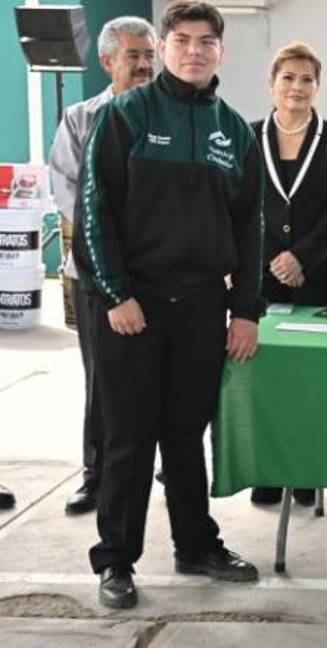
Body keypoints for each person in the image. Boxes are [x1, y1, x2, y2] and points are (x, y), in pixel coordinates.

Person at [73, 0, 264, 610]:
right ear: (162, 47)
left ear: (220, 52)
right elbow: (94, 213)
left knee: (186, 435)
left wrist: (246, 310)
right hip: (134, 310)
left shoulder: (233, 130)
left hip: (203, 309)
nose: (194, 51)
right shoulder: (126, 116)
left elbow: (250, 228)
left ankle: (196, 544)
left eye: (206, 42)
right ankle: (116, 562)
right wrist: (116, 295)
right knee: (128, 439)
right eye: (181, 40)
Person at [48, 16, 156, 517]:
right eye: (133, 56)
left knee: (162, 378)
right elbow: (71, 198)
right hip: (97, 278)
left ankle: (157, 466)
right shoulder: (80, 120)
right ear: (107, 60)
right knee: (102, 380)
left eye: (148, 56)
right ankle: (96, 475)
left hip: (159, 278)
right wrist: (115, 262)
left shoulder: (169, 116)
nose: (143, 65)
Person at [248, 42, 327, 508]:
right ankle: (268, 470)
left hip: (320, 276)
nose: (296, 87)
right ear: (272, 84)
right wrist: (274, 257)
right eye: (288, 78)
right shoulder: (247, 136)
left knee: (315, 379)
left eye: (306, 79)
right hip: (262, 275)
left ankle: (311, 470)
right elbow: (242, 206)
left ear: (317, 86)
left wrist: (301, 258)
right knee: (268, 376)